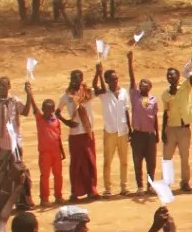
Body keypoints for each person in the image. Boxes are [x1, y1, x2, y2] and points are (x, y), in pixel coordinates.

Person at [58, 66, 103, 201]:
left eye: (76, 78)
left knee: (90, 162)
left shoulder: (88, 92)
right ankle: (75, 192)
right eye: (72, 78)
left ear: (81, 79)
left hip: (88, 132)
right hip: (75, 134)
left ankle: (92, 190)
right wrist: (66, 122)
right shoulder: (66, 96)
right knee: (76, 164)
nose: (74, 81)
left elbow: (101, 90)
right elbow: (57, 112)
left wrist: (97, 73)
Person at [0, 77, 33, 208]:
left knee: (19, 171)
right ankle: (2, 202)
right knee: (3, 173)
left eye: (3, 85)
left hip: (16, 143)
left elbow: (25, 112)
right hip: (2, 145)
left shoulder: (14, 101)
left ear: (9, 86)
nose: (1, 88)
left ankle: (22, 201)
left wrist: (29, 95)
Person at [162, 52, 192, 191]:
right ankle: (167, 182)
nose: (170, 77)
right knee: (167, 158)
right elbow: (165, 114)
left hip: (184, 129)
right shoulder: (165, 94)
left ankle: (185, 182)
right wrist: (163, 132)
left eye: (172, 74)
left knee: (185, 158)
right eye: (168, 75)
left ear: (178, 76)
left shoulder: (185, 86)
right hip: (171, 129)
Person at [21, 84, 65, 207]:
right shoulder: (40, 119)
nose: (45, 111)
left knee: (58, 175)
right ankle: (44, 198)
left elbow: (59, 137)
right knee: (44, 176)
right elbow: (34, 107)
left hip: (56, 152)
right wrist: (29, 93)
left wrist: (62, 151)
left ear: (52, 110)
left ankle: (58, 196)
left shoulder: (56, 120)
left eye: (48, 109)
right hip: (45, 152)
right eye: (44, 109)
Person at [125, 50, 160, 193]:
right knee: (137, 161)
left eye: (145, 83)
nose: (142, 84)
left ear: (150, 87)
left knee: (151, 162)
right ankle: (140, 186)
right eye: (141, 83)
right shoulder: (135, 96)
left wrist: (157, 133)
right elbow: (132, 79)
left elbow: (155, 117)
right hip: (138, 134)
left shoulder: (153, 100)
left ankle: (150, 185)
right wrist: (130, 61)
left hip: (150, 134)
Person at [98, 66, 131, 197]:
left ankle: (124, 187)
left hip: (123, 131)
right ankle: (108, 188)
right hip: (110, 131)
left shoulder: (123, 92)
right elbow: (96, 85)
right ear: (106, 81)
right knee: (108, 162)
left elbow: (127, 110)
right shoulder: (104, 93)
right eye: (112, 79)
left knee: (124, 161)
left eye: (116, 78)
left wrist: (130, 129)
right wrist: (98, 73)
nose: (115, 81)